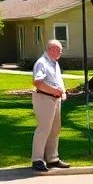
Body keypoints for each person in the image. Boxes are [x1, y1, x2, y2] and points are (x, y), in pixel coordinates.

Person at [31, 38, 70, 172]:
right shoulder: (42, 63)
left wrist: (62, 92)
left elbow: (58, 80)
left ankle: (52, 158)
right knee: (44, 129)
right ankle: (37, 159)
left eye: (60, 51)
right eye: (58, 50)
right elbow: (38, 82)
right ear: (51, 49)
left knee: (55, 129)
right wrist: (54, 91)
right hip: (44, 98)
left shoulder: (54, 63)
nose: (60, 53)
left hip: (55, 99)